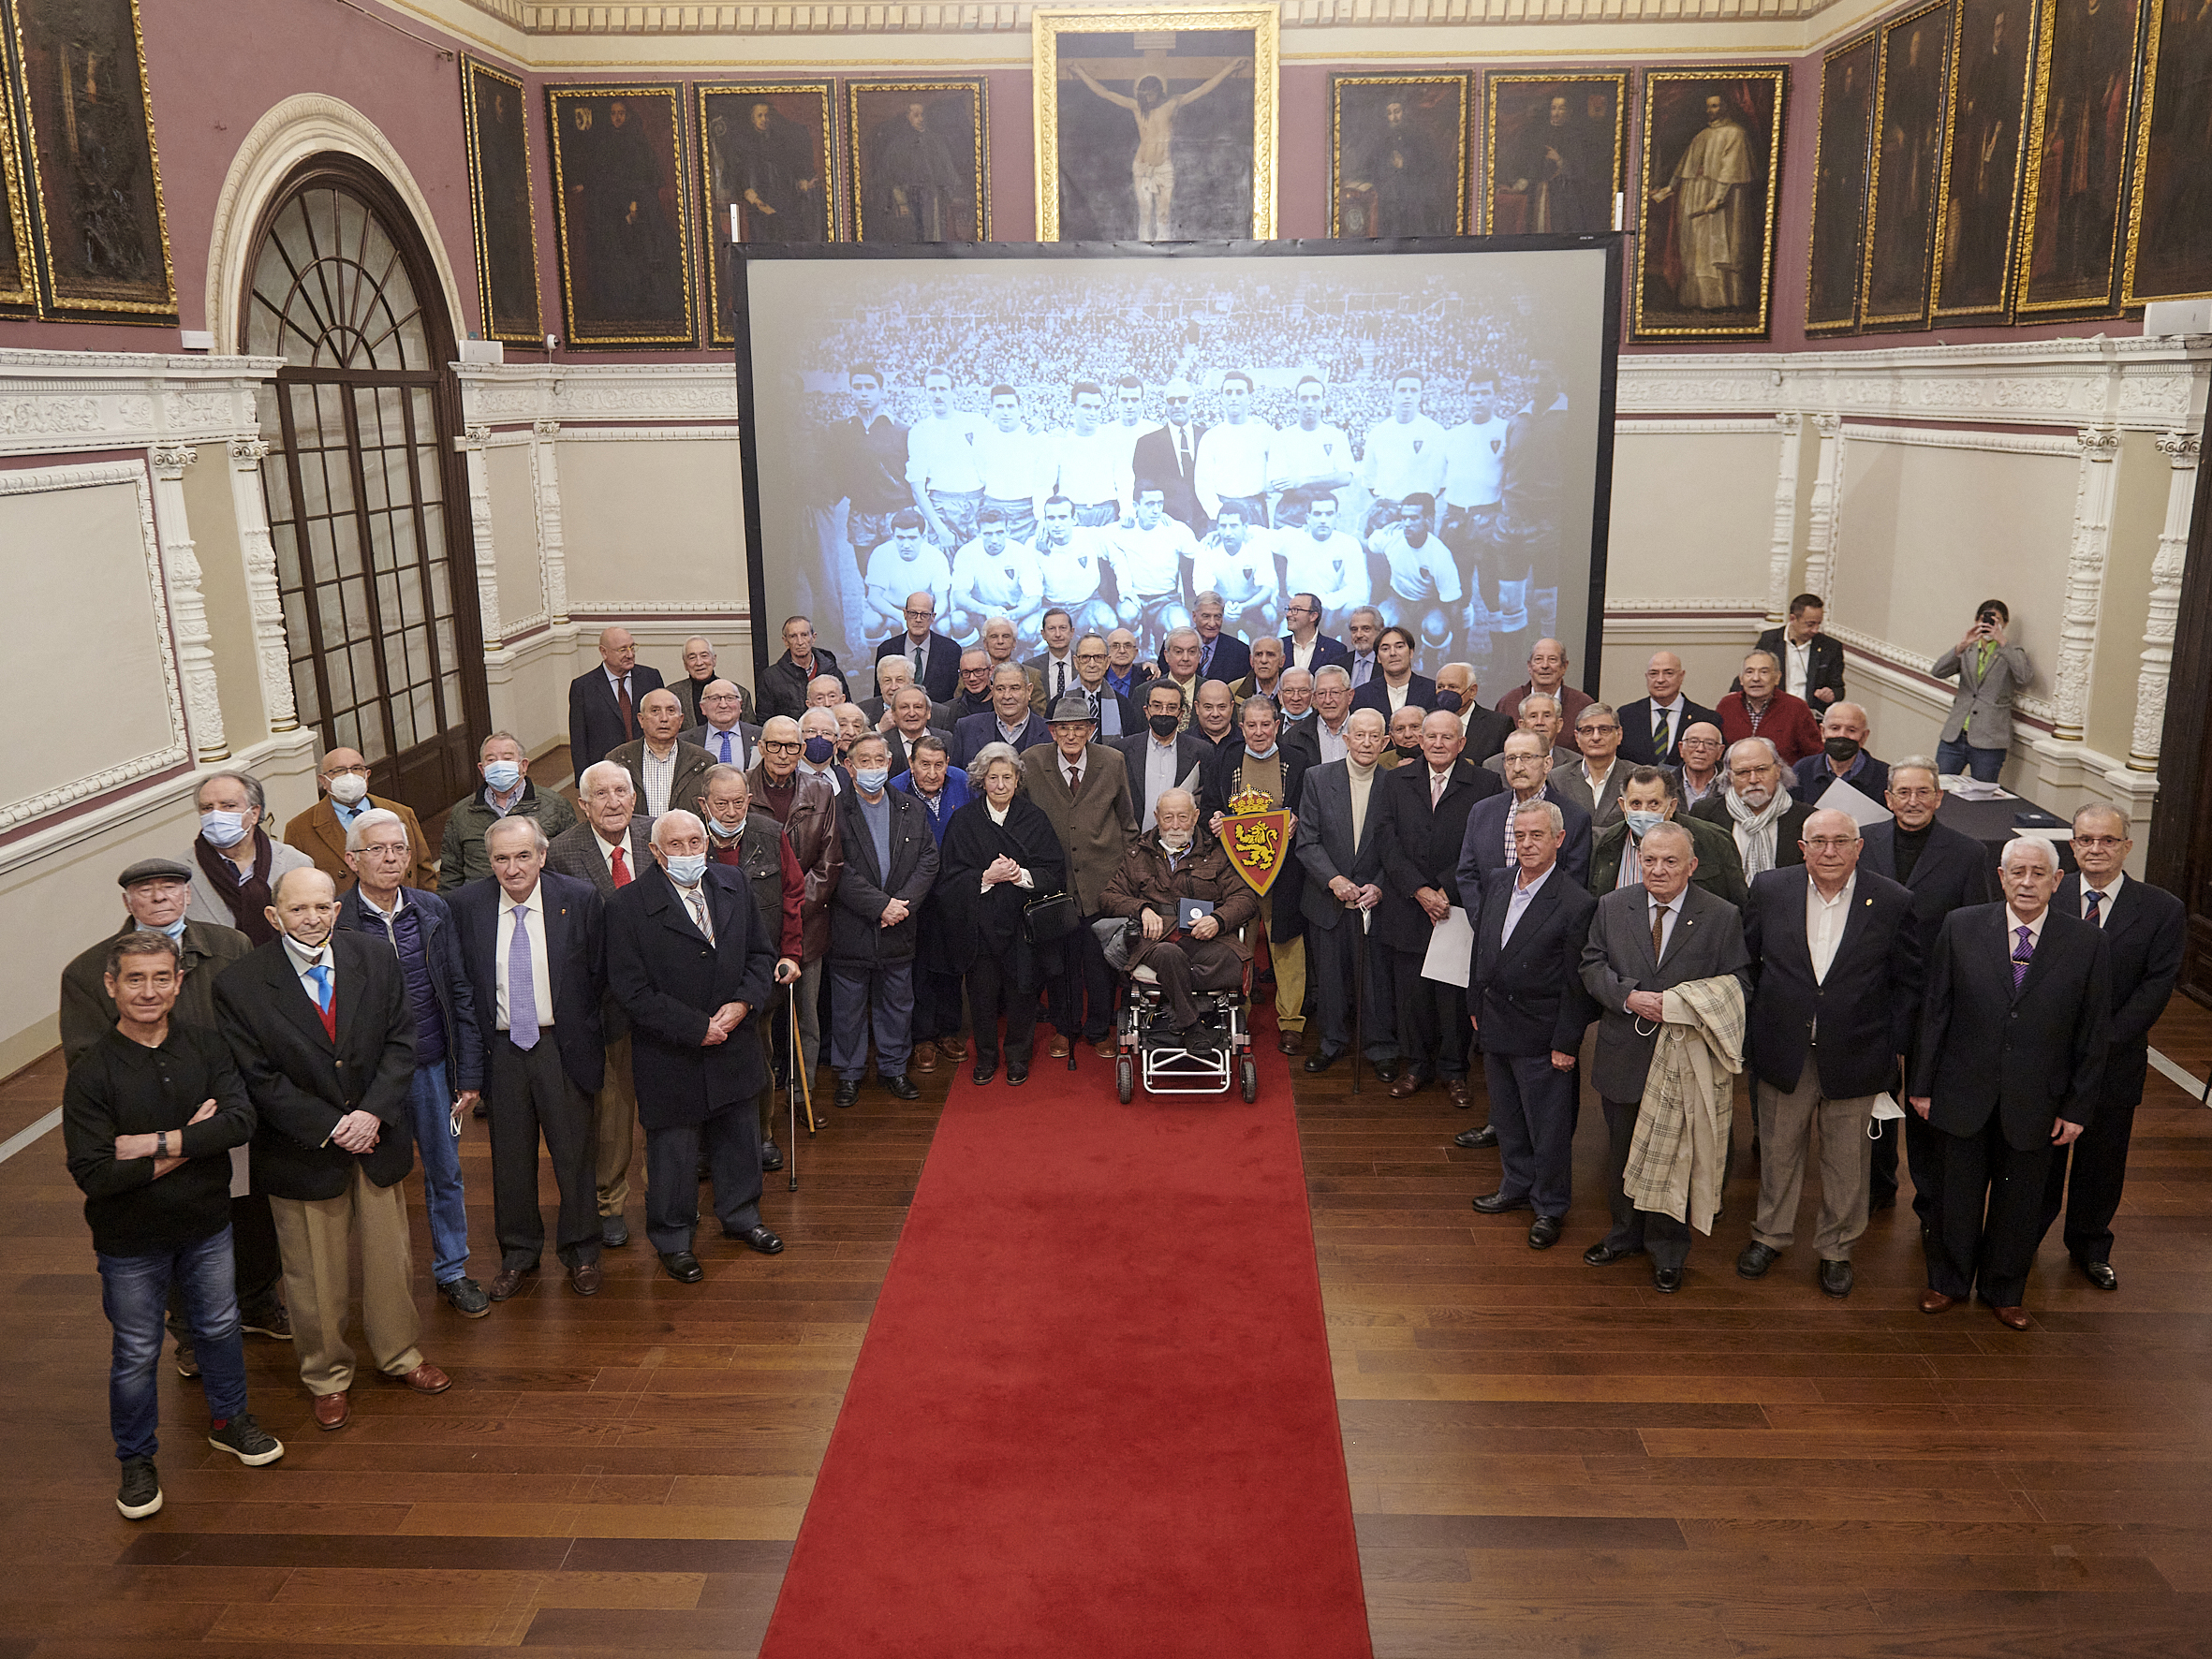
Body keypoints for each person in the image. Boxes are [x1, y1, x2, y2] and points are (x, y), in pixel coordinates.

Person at [215, 868, 450, 1431]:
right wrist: (331, 1124)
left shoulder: (375, 957)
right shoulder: (241, 983)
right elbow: (257, 1076)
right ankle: (327, 1375)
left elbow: (402, 1040)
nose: (312, 918)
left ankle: (400, 1356)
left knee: (390, 1260)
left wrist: (371, 1114)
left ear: (337, 910)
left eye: (322, 907)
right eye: (298, 910)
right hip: (301, 1149)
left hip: (377, 1137)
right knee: (313, 1273)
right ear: (274, 917)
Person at [65, 929, 281, 1520]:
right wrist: (195, 1138)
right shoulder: (91, 1072)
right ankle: (136, 1461)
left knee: (218, 1327)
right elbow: (95, 1174)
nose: (149, 990)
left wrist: (152, 1145)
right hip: (129, 1242)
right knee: (136, 1352)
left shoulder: (208, 1048)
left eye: (162, 977)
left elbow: (238, 1122)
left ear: (179, 982)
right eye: (134, 978)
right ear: (111, 986)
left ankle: (229, 1422)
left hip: (207, 1226)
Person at [60, 859, 281, 1373]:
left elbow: (254, 1026)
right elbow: (87, 1062)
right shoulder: (87, 970)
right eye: (146, 890)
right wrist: (183, 1134)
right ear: (127, 902)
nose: (159, 898)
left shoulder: (230, 946)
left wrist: (232, 1106)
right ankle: (185, 1332)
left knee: (248, 1210)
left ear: (187, 895)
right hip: (151, 1122)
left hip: (228, 1105)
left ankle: (259, 1300)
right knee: (170, 1224)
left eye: (170, 888)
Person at [1910, 839, 2110, 1329]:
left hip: (2038, 1100)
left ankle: (2005, 1289)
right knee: (1954, 1194)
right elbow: (1934, 1012)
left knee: (2020, 1202)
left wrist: (2078, 1108)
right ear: (2000, 876)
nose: (2027, 882)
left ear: (2057, 881)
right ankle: (1947, 1282)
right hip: (1961, 1091)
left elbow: (2093, 1033)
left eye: (2038, 873)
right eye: (2017, 872)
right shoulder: (1961, 927)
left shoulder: (2086, 942)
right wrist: (1920, 1085)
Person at [1734, 811, 1921, 1299]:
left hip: (1857, 1054)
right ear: (1802, 846)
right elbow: (1746, 964)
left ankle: (1837, 1249)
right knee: (1777, 1151)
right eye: (1819, 842)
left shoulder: (1893, 901)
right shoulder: (1771, 890)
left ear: (1859, 848)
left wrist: (1891, 1047)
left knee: (1848, 1162)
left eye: (1841, 842)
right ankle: (1769, 1236)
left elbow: (1908, 984)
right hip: (1783, 1049)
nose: (1830, 852)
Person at [606, 810, 782, 1285]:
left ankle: (742, 1217)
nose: (689, 853)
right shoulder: (626, 906)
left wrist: (744, 1003)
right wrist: (694, 1027)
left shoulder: (732, 883)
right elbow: (630, 989)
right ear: (656, 853)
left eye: (696, 842)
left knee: (740, 1137)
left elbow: (762, 955)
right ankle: (674, 1239)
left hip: (734, 1040)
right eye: (677, 846)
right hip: (671, 1050)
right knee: (673, 1153)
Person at [1579, 822, 1752, 1293]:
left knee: (1675, 1155)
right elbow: (1591, 965)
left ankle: (1668, 1249)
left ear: (1692, 866)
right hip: (1624, 1053)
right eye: (1649, 860)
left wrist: (1680, 1005)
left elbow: (1738, 985)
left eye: (1670, 861)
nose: (1658, 869)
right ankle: (1623, 1235)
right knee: (1620, 1153)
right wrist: (1628, 997)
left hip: (1684, 1059)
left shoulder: (1721, 915)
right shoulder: (1613, 906)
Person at [448, 817, 608, 1303]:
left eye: (522, 856)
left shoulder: (578, 899)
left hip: (562, 1046)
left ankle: (581, 1251)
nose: (512, 867)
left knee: (574, 1155)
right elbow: (461, 990)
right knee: (510, 1161)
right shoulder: (465, 906)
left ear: (542, 856)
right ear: (488, 861)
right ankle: (519, 1254)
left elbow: (602, 977)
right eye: (501, 858)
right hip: (502, 1052)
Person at [337, 810, 489, 1318]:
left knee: (445, 1173)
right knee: (375, 1184)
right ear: (351, 859)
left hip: (431, 1068)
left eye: (398, 849)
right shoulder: (335, 921)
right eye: (376, 849)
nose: (390, 859)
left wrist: (467, 1073)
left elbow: (461, 992)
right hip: (367, 1083)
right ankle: (387, 1281)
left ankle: (452, 1269)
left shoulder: (433, 910)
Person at [2035, 807, 2184, 1291]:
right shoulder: (2045, 898)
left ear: (2127, 846)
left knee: (2102, 1163)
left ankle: (2089, 1247)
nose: (2096, 849)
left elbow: (2156, 987)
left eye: (2107, 840)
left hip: (2116, 1064)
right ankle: (2023, 1240)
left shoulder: (2162, 909)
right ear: (2072, 846)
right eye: (2085, 840)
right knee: (2040, 1159)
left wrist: (2100, 1044)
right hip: (2048, 1060)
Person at [1861, 756, 1994, 1217]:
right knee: (1873, 1095)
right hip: (1871, 994)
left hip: (1936, 998)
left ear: (1939, 798)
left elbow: (1979, 929)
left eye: (1923, 793)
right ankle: (1876, 1187)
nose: (1913, 801)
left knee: (1922, 1099)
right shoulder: (1864, 840)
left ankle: (1929, 1200)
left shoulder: (1968, 853)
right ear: (1888, 798)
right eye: (1903, 793)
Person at [1465, 800, 1600, 1249]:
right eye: (1520, 836)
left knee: (1550, 1127)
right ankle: (1516, 1186)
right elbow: (1482, 947)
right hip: (1494, 1022)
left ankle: (1550, 1206)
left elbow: (1577, 984)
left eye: (1536, 835)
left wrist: (1566, 1041)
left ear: (1559, 840)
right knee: (1507, 1117)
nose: (1526, 844)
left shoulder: (1577, 902)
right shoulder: (1499, 882)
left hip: (1544, 1035)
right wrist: (1473, 1003)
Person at [544, 761, 654, 1245]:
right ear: (582, 804)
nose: (613, 802)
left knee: (666, 1102)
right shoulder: (563, 852)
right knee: (612, 1113)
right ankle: (609, 1202)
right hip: (604, 1004)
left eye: (621, 791)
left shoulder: (659, 837)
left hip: (666, 1000)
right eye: (601, 794)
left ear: (635, 797)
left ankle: (666, 1194)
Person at [1376, 707, 1501, 1104]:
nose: (1437, 743)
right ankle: (1415, 1067)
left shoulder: (1485, 782)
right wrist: (1419, 890)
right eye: (1430, 736)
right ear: (1419, 740)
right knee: (1410, 994)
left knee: (1451, 995)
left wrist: (1444, 890)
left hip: (1456, 907)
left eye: (1447, 737)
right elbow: (1386, 840)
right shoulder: (1396, 781)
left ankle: (1454, 1071)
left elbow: (1483, 844)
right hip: (1407, 904)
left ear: (1461, 743)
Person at [938, 743, 1067, 1085]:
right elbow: (948, 877)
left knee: (1023, 994)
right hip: (979, 927)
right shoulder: (964, 821)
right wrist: (984, 877)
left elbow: (1054, 870)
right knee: (981, 997)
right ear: (981, 781)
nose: (999, 784)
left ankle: (1018, 1058)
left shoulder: (1033, 817)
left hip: (1023, 925)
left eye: (1006, 777)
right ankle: (986, 1058)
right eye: (992, 777)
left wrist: (1020, 875)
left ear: (1017, 780)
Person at [699, 764, 803, 1173]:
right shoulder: (688, 837)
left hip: (757, 970)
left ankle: (761, 1135)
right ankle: (706, 1145)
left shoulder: (769, 833)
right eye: (721, 803)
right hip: (703, 971)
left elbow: (793, 895)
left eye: (738, 802)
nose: (730, 811)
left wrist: (791, 953)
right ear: (704, 803)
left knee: (758, 1055)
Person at [829, 732, 938, 1109]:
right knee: (848, 1008)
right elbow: (835, 869)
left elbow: (928, 860)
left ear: (890, 763)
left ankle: (894, 1069)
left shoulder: (911, 807)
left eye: (879, 760)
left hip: (901, 924)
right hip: (852, 927)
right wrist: (881, 906)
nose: (873, 767)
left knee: (897, 1003)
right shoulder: (834, 809)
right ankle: (848, 1074)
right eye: (865, 761)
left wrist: (902, 905)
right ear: (849, 766)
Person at [1025, 694, 1138, 1059]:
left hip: (1103, 881)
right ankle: (1064, 1028)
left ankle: (1098, 1029)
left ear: (1091, 730)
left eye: (1079, 728)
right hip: (1053, 886)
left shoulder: (1112, 760)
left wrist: (1128, 874)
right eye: (1063, 729)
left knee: (1100, 963)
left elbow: (1127, 821)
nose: (1071, 736)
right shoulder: (1031, 761)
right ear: (1052, 731)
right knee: (1058, 963)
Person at [1202, 693, 1315, 1056]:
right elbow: (1211, 807)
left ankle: (1291, 1023)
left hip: (1285, 871)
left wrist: (1298, 817)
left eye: (1266, 724)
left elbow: (1310, 808)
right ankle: (1237, 1016)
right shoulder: (1227, 758)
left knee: (1287, 945)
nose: (1259, 731)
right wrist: (1215, 820)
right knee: (1237, 945)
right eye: (1251, 725)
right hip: (1237, 872)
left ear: (1278, 726)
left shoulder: (1298, 760)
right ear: (1241, 728)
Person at [1099, 788, 1259, 1040]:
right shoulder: (1137, 855)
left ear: (1195, 817)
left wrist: (1218, 920)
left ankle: (1176, 1006)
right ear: (1156, 817)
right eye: (1168, 817)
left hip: (1204, 939)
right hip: (1156, 941)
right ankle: (1192, 1026)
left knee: (1234, 960)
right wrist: (1142, 909)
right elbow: (1108, 898)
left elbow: (1246, 898)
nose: (1175, 825)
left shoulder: (1216, 853)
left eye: (1183, 817)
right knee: (1170, 956)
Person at [1295, 708, 1393, 1075]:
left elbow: (1400, 847)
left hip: (1374, 902)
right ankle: (1331, 1042)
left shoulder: (1396, 784)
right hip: (1327, 900)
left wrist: (1380, 885)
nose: (1366, 742)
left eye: (1375, 736)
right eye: (1359, 734)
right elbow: (1307, 841)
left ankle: (1381, 1048)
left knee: (1376, 982)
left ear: (1385, 742)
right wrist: (1334, 880)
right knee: (1331, 981)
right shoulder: (1317, 779)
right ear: (1347, 739)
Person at [746, 716, 843, 1087]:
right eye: (774, 745)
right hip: (753, 926)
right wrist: (766, 913)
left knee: (805, 1018)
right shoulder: (742, 788)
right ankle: (762, 1101)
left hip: (807, 925)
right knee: (758, 1017)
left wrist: (791, 910)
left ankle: (802, 1095)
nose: (782, 754)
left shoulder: (820, 792)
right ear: (761, 747)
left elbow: (830, 862)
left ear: (802, 750)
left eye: (791, 746)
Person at [1649, 91, 1758, 311]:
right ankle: (1696, 300)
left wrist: (1717, 199)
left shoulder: (1736, 134)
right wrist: (1669, 188)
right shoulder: (1701, 135)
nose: (1711, 110)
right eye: (1709, 106)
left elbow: (1730, 171)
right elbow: (1684, 167)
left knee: (1717, 249)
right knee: (1695, 249)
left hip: (1721, 201)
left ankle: (1722, 301)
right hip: (1694, 196)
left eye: (1716, 106)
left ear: (1726, 107)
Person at [1458, 730, 1596, 897]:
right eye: (1511, 759)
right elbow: (1467, 875)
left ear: (1547, 764)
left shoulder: (1574, 817)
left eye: (1527, 757)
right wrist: (1486, 919)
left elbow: (1573, 885)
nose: (1517, 767)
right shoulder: (1482, 812)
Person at [1588, 766, 1746, 909]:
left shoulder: (1714, 841)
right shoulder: (1606, 843)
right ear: (1623, 806)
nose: (1644, 812)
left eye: (1654, 804)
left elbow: (1737, 907)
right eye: (1636, 804)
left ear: (1672, 806)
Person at [438, 732, 578, 890]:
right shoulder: (462, 813)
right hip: (480, 901)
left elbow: (573, 864)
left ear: (523, 765)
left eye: (507, 758)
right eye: (491, 760)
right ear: (482, 769)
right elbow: (450, 874)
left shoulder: (555, 805)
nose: (499, 765)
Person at [187, 770, 314, 943]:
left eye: (228, 806)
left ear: (253, 813)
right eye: (207, 808)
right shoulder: (182, 874)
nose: (216, 815)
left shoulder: (296, 863)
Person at [284, 747, 433, 893]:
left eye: (356, 769)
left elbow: (425, 875)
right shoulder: (299, 829)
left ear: (367, 774)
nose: (350, 776)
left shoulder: (402, 813)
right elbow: (297, 889)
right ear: (323, 780)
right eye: (339, 771)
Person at [1932, 599, 2032, 782]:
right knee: (1939, 787)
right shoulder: (1968, 650)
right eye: (1984, 619)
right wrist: (1961, 646)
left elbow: (2024, 677)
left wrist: (2002, 642)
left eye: (1996, 620)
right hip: (1955, 735)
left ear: (2004, 624)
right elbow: (1938, 671)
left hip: (1989, 740)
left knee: (1982, 795)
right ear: (1976, 620)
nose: (1989, 624)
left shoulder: (2011, 652)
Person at [905, 368, 987, 552]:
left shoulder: (976, 422)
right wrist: (940, 529)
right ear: (925, 392)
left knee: (979, 566)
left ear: (954, 391)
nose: (938, 395)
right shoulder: (919, 431)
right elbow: (917, 489)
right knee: (946, 571)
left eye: (943, 389)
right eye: (932, 390)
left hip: (978, 503)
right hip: (942, 507)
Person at [1116, 680, 1214, 831]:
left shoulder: (1202, 751)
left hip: (1182, 843)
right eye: (1157, 706)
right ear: (1146, 711)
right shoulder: (1122, 751)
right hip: (1134, 846)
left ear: (1181, 714)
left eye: (1171, 707)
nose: (1163, 712)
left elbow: (1207, 802)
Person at [568, 625, 667, 769]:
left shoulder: (650, 677)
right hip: (606, 766)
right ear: (604, 652)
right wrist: (583, 780)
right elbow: (579, 740)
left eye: (632, 647)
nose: (630, 654)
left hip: (649, 763)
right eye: (622, 650)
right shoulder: (583, 687)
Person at [611, 687, 713, 821]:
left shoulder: (703, 762)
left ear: (681, 720)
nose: (664, 718)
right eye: (655, 711)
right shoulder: (618, 760)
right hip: (635, 840)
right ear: (641, 720)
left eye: (671, 711)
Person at [949, 509, 1045, 645]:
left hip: (1013, 611)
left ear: (1008, 531)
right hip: (980, 610)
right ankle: (972, 654)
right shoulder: (966, 552)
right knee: (958, 619)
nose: (994, 540)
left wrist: (1011, 616)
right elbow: (959, 597)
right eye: (988, 534)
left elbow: (1035, 599)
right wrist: (987, 610)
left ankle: (1018, 659)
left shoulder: (1021, 552)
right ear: (978, 533)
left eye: (999, 533)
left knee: (1030, 629)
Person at [1718, 650, 1821, 768]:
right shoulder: (1727, 706)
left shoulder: (1797, 708)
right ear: (1741, 679)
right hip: (1734, 781)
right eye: (1749, 672)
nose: (1756, 678)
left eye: (1764, 672)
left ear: (1777, 678)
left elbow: (1814, 756)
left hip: (1784, 782)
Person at [1192, 507, 1282, 643]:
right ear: (1217, 528)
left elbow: (1267, 588)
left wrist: (1244, 606)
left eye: (1234, 526)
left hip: (1253, 606)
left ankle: (1267, 649)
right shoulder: (1206, 547)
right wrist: (1221, 607)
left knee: (1269, 613)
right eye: (1223, 526)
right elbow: (1202, 589)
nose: (1228, 532)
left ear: (1245, 527)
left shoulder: (1258, 546)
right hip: (1220, 606)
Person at [1280, 496, 1367, 635]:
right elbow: (1259, 535)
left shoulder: (1349, 543)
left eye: (1329, 514)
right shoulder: (1293, 538)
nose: (1323, 520)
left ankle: (1349, 653)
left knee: (1355, 608)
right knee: (1284, 651)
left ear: (1337, 517)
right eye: (1317, 514)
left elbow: (1359, 590)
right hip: (1299, 612)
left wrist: (1321, 602)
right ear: (1308, 518)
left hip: (1332, 611)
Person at [1616, 652, 1721, 767]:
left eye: (1668, 673)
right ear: (1646, 677)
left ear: (1681, 676)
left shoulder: (1706, 718)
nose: (1660, 679)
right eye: (1654, 673)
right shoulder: (1626, 716)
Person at [1130, 377, 1205, 530]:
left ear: (1193, 402)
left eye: (1183, 399)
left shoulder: (1207, 437)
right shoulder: (1147, 443)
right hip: (1166, 525)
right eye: (1171, 400)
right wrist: (1158, 512)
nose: (1177, 405)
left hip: (1205, 523)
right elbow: (1143, 485)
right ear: (1165, 404)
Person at [1755, 594, 1845, 711]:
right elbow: (1751, 673)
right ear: (1793, 619)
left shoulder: (1831, 647)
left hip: (1809, 714)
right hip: (1773, 711)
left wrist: (1830, 695)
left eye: (1819, 624)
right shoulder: (1769, 640)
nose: (1815, 630)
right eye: (1810, 624)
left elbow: (1838, 689)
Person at [951, 663, 1051, 769]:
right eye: (1000, 689)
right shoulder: (966, 728)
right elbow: (956, 778)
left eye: (1014, 688)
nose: (1007, 696)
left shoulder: (1050, 732)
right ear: (992, 691)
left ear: (1029, 690)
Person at [1792, 702, 1888, 807]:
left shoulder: (1885, 776)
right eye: (1835, 728)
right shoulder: (1802, 769)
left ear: (1864, 736)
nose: (1842, 735)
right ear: (1822, 732)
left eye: (1851, 730)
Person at [758, 614, 848, 724]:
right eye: (793, 636)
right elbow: (764, 721)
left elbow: (847, 709)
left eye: (804, 635)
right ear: (785, 641)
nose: (800, 642)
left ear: (813, 638)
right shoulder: (770, 678)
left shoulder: (832, 671)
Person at [877, 590, 961, 702]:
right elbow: (879, 695)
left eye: (924, 615)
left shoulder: (950, 650)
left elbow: (955, 696)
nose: (918, 619)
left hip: (939, 718)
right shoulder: (887, 650)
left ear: (933, 617)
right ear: (905, 614)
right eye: (913, 613)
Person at [1493, 639, 1594, 726]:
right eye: (1538, 659)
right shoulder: (1508, 703)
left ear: (1564, 666)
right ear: (1529, 666)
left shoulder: (1582, 705)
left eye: (1552, 659)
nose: (1545, 665)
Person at [1561, 701, 1627, 827]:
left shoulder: (1636, 777)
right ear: (1577, 738)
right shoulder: (1557, 779)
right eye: (1588, 731)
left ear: (1619, 735)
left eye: (1604, 730)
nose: (1596, 737)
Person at [1350, 624, 1436, 720]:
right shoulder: (1362, 695)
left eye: (1399, 647)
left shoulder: (1432, 691)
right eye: (1385, 649)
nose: (1393, 653)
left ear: (1411, 652)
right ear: (1378, 657)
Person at [1482, 691, 1577, 775]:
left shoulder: (1575, 762)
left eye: (1547, 716)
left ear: (1559, 724)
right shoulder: (1493, 766)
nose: (1540, 722)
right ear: (1522, 725)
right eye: (1533, 716)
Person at [1436, 662, 1513, 764]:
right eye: (1440, 687)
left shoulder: (1498, 725)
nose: (1445, 692)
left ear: (1472, 691)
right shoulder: (1426, 719)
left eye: (1453, 687)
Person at [672, 635, 752, 731]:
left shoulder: (739, 693)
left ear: (714, 660)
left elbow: (750, 732)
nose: (699, 662)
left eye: (704, 656)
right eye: (692, 658)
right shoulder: (673, 695)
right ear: (685, 664)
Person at [683, 679, 761, 772]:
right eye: (715, 699)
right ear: (703, 708)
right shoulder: (686, 741)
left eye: (730, 698)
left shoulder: (761, 736)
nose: (723, 705)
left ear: (740, 705)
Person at [1069, 632, 1134, 741]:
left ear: (1107, 662)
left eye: (1098, 657)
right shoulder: (1059, 703)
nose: (1092, 664)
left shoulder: (1123, 706)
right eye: (1085, 657)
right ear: (1076, 662)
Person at [1186, 591, 1252, 685]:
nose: (1212, 624)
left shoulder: (1240, 651)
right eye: (1206, 616)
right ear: (1194, 616)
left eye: (1217, 617)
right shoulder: (1174, 646)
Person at [1281, 591, 1351, 678]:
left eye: (1295, 610)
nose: (1288, 614)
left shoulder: (1335, 650)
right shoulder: (1278, 646)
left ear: (1313, 616)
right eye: (1288, 609)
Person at [882, 685, 943, 777]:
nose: (911, 713)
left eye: (918, 707)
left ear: (928, 712)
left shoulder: (946, 739)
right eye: (904, 707)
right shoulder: (883, 744)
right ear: (893, 713)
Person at [1025, 607, 1081, 702]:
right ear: (1043, 634)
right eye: (1052, 629)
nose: (1058, 634)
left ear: (1072, 632)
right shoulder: (1030, 667)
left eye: (1063, 628)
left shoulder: (1083, 663)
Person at [1674, 722, 1728, 809]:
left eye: (1709, 743)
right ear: (1681, 748)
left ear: (1720, 751)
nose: (1700, 749)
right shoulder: (1664, 784)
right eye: (1693, 742)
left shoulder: (1731, 787)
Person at [947, 648, 996, 724]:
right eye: (966, 672)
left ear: (990, 671)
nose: (972, 678)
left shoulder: (1004, 706)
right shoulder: (949, 710)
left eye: (978, 671)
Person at [1232, 635, 1286, 703]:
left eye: (1270, 655)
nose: (1264, 660)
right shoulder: (1234, 690)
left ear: (1282, 660)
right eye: (1259, 654)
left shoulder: (1294, 690)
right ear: (1251, 660)